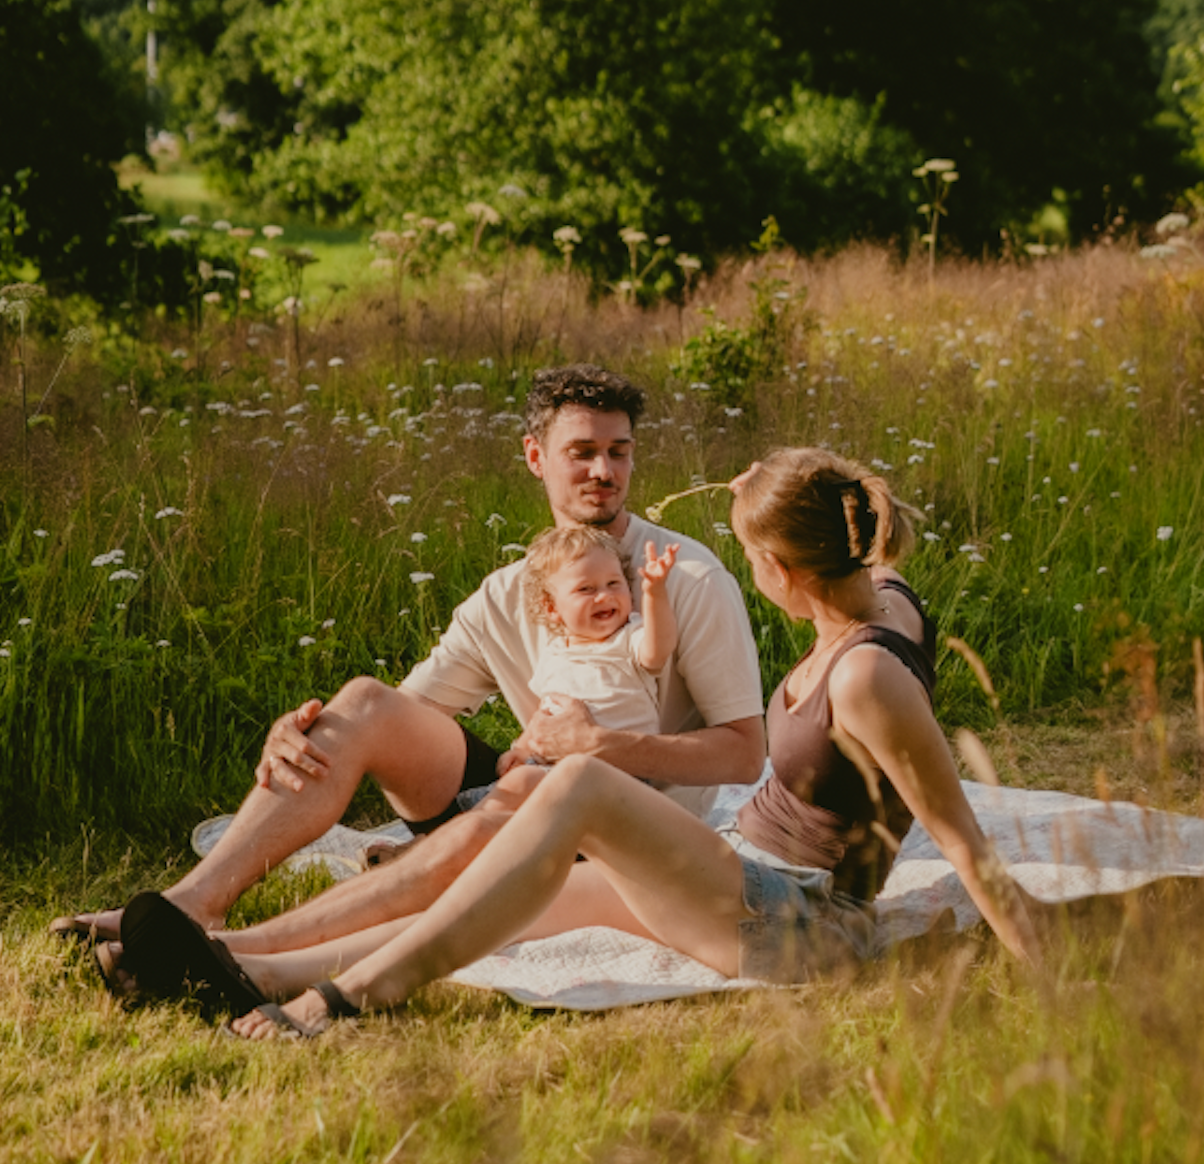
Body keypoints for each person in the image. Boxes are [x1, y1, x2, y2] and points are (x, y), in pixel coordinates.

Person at [113, 447, 1044, 1034]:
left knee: (575, 791)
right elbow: (878, 576)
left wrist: (1053, 984)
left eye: (750, 554)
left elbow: (960, 838)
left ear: (778, 568)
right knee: (511, 896)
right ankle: (242, 969)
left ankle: (346, 1003)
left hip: (809, 926)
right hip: (743, 876)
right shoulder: (882, 605)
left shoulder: (867, 672)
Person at [55, 364, 765, 965]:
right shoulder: (506, 593)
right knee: (363, 703)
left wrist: (602, 745)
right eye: (581, 451)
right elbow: (405, 716)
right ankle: (191, 907)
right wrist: (312, 734)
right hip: (534, 790)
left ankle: (246, 954)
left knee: (504, 817)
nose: (603, 472)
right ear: (534, 457)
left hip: (631, 833)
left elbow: (742, 754)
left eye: (619, 452)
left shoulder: (687, 579)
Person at [516, 524, 680, 751]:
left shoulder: (628, 638)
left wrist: (655, 592)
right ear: (552, 607)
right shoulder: (554, 653)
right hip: (555, 760)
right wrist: (521, 749)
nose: (604, 596)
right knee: (518, 780)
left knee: (534, 782)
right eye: (586, 589)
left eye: (613, 583)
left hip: (621, 765)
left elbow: (658, 650)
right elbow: (544, 713)